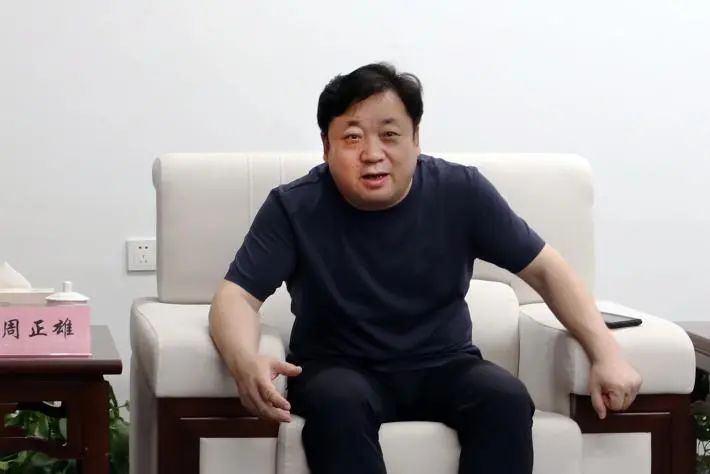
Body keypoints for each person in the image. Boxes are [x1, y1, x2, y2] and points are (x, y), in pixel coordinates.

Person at [208, 63, 642, 474]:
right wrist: (244, 361)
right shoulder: (293, 206)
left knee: (504, 397)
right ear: (327, 146)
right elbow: (236, 297)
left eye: (390, 135)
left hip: (445, 364)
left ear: (416, 138)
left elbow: (547, 269)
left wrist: (607, 354)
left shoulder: (461, 192)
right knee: (337, 402)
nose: (372, 154)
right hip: (337, 368)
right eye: (353, 137)